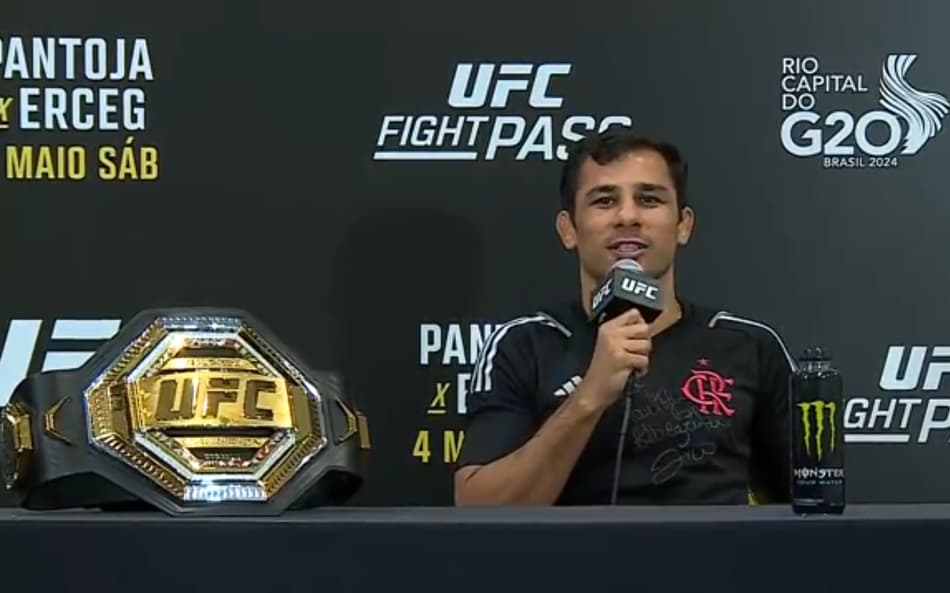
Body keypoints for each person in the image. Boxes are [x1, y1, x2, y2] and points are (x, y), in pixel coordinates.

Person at [453, 128, 795, 506]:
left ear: (683, 225)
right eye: (604, 201)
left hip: (716, 563)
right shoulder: (525, 344)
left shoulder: (749, 345)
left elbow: (813, 508)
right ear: (569, 229)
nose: (627, 216)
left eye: (649, 199)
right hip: (567, 565)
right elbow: (477, 510)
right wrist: (589, 397)